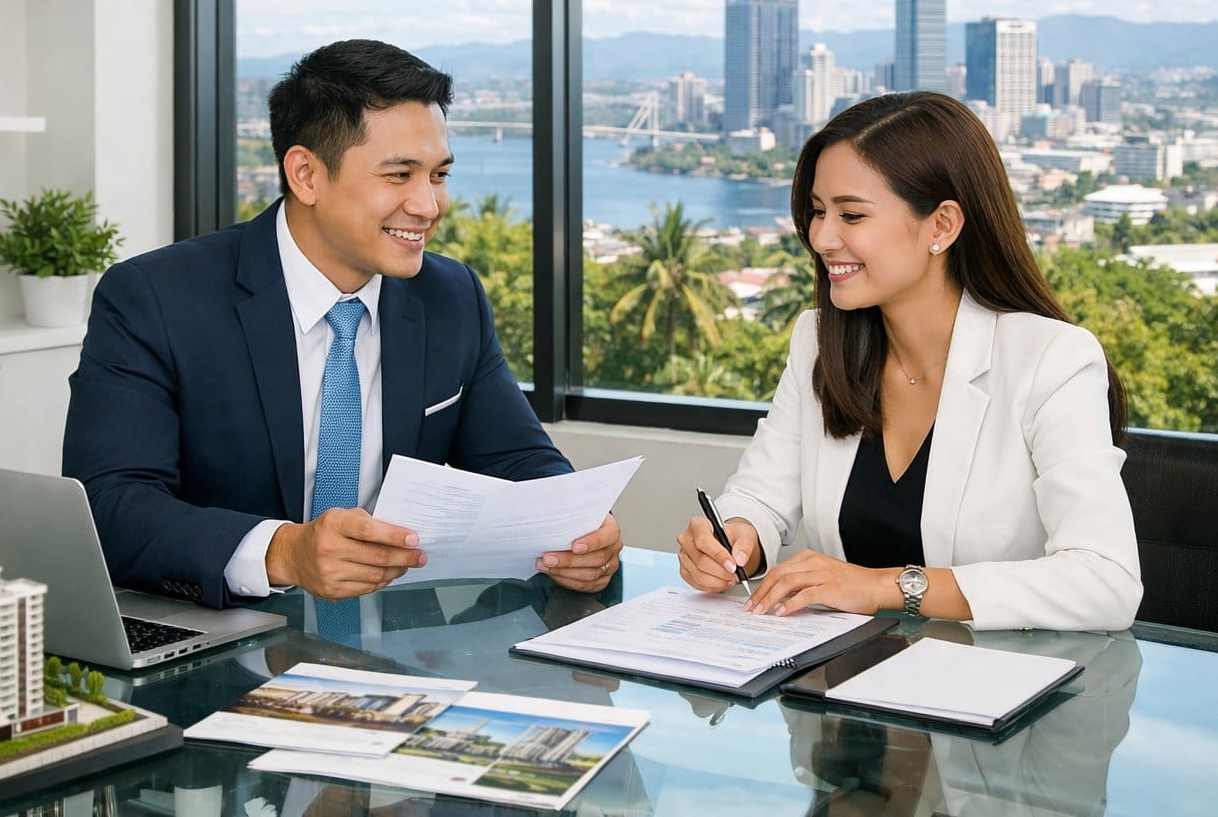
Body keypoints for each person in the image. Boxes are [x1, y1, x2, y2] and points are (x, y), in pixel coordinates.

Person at [64, 38, 620, 609]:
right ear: (305, 174)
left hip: (403, 648)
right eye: (400, 175)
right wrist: (283, 551)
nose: (429, 206)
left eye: (438, 175)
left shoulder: (452, 296)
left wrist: (578, 524)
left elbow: (516, 458)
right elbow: (109, 503)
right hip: (220, 634)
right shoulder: (155, 299)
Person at [676, 91, 1141, 631]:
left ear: (942, 226)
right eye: (818, 211)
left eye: (851, 214)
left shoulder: (1051, 361)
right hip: (841, 694)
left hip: (990, 694)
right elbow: (763, 496)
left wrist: (883, 586)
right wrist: (738, 536)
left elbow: (1106, 581)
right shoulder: (819, 342)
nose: (822, 237)